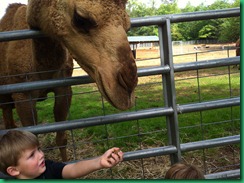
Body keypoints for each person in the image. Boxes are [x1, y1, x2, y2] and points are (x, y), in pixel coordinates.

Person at [0, 130, 123, 179]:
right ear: (14, 170)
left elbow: (73, 169)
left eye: (39, 149)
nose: (41, 155)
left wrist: (99, 162)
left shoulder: (49, 169)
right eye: (32, 155)